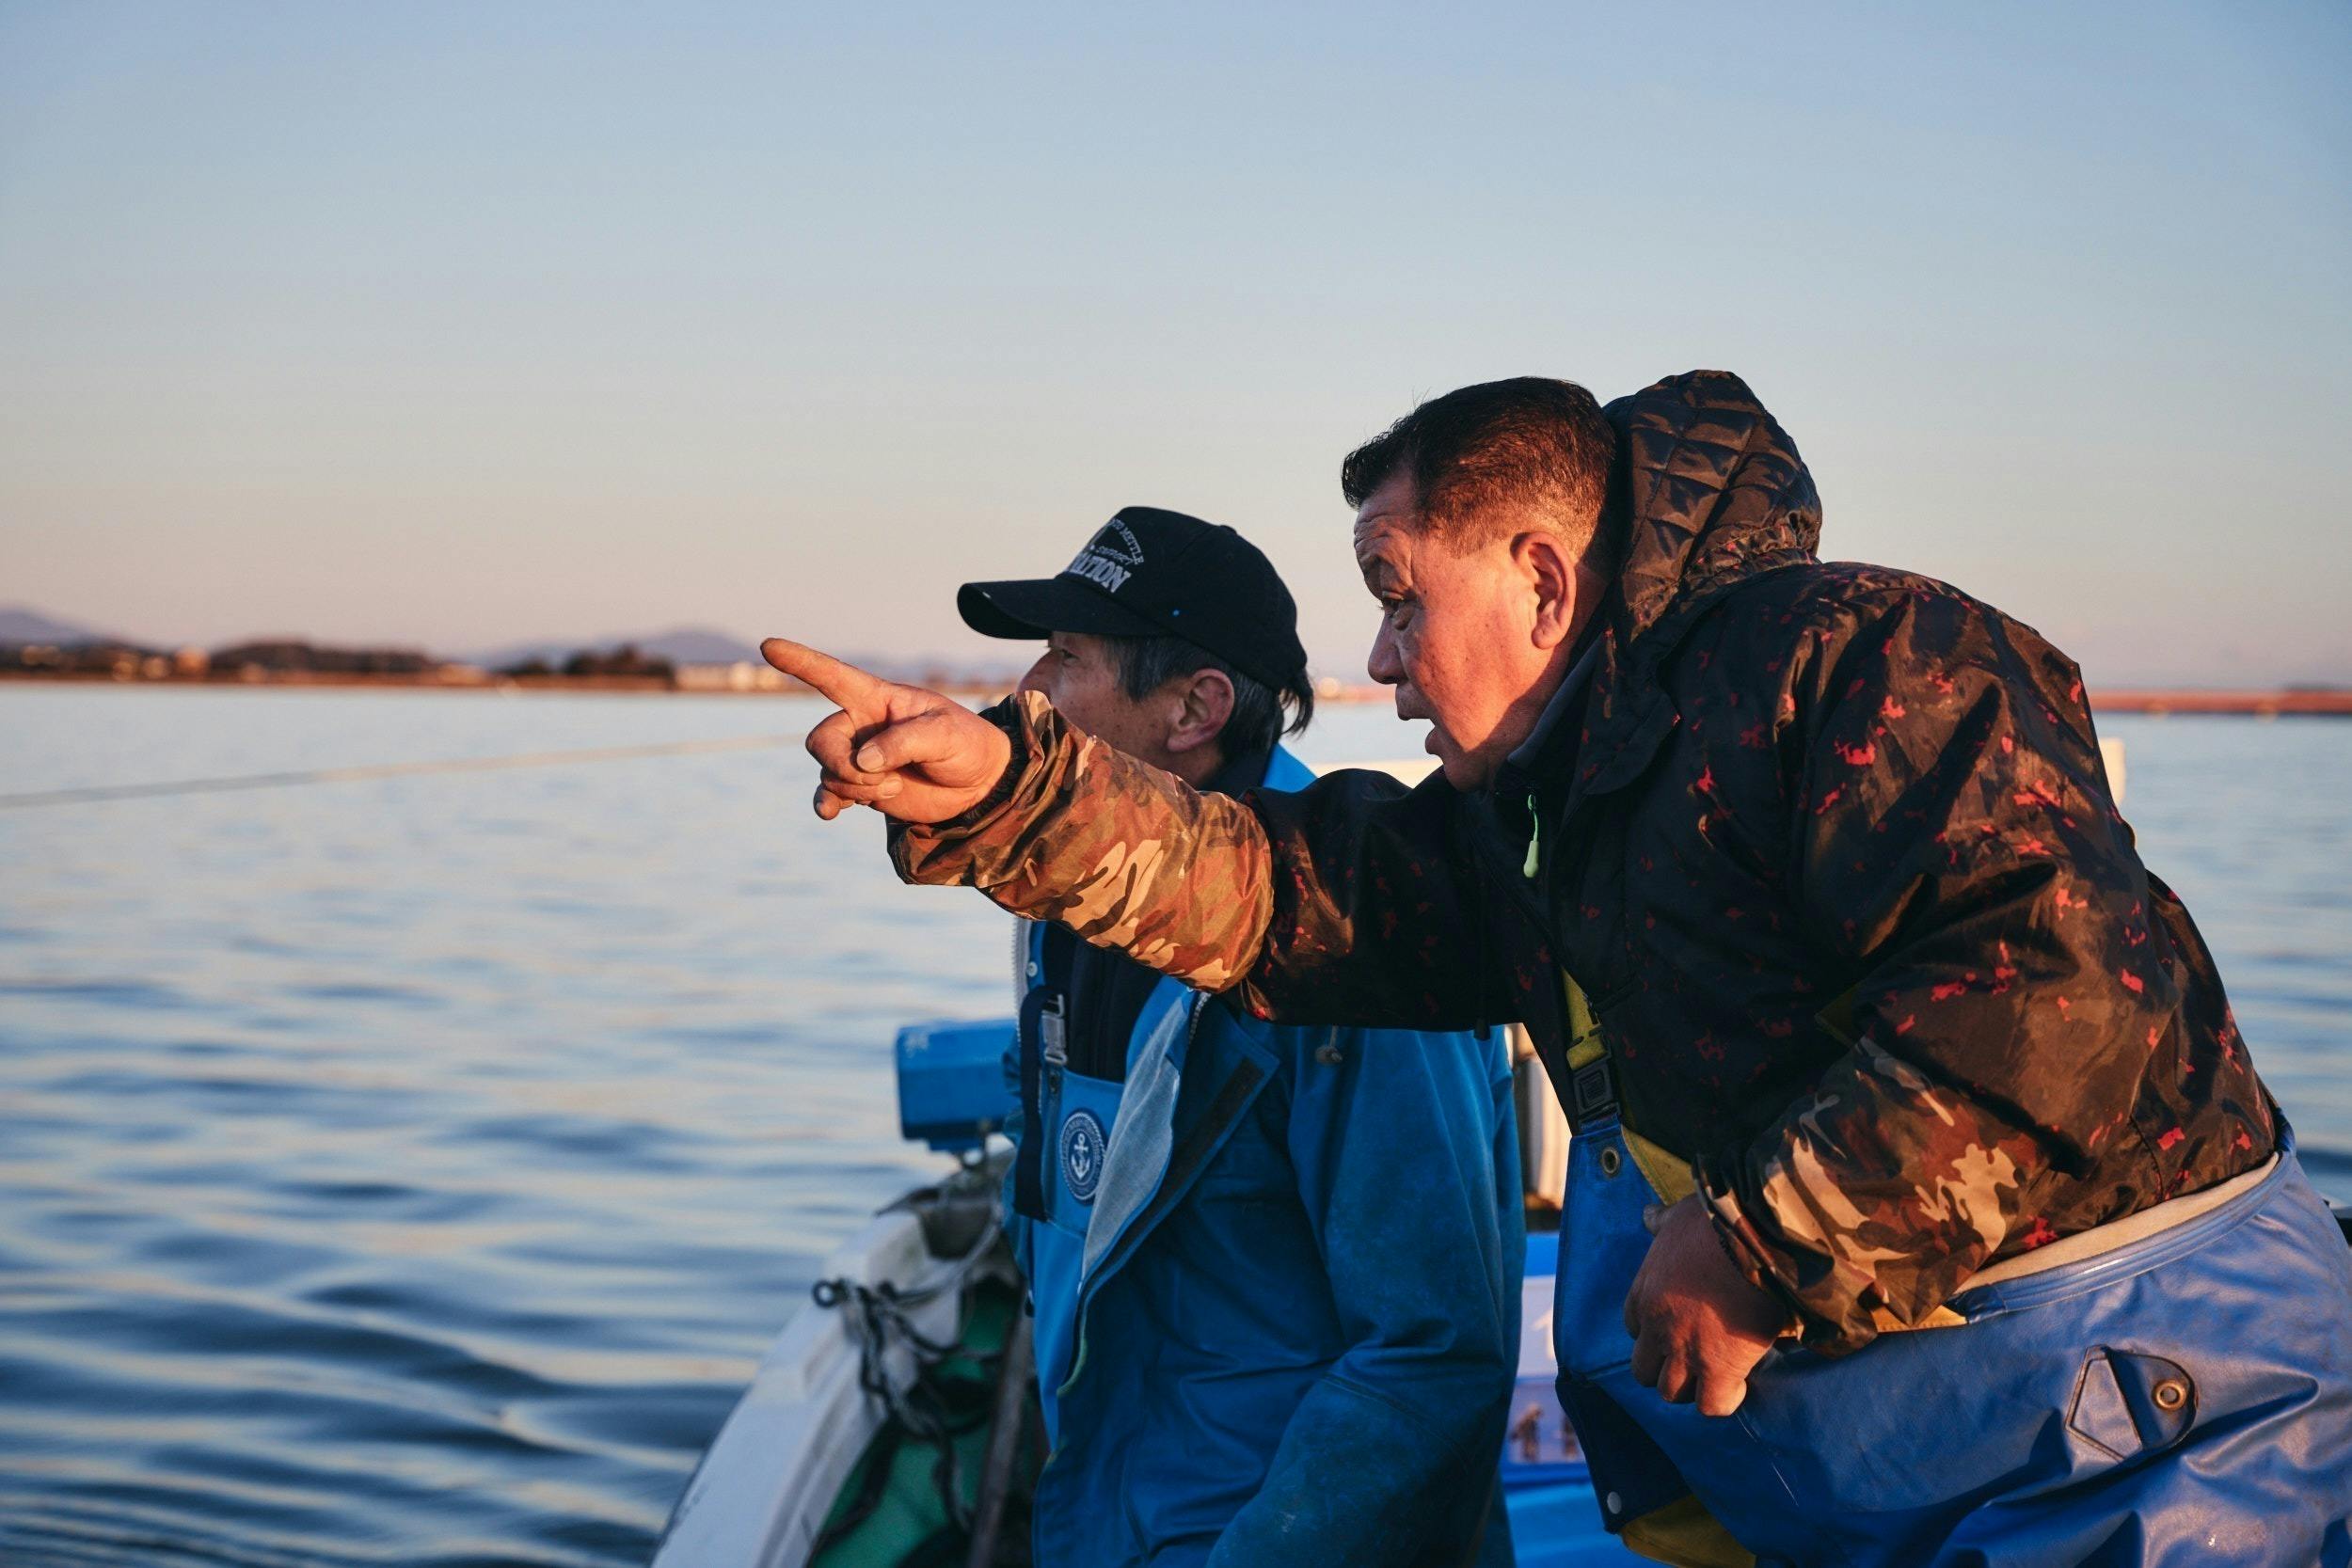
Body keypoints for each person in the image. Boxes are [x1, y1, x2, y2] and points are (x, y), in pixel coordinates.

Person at [771, 372, 2352, 1567]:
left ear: (1541, 577)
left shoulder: (1856, 658)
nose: (1379, 662)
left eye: (1399, 597)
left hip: (2154, 1441)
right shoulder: (1531, 822)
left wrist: (1768, 1244)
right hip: (1897, 1465)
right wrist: (1007, 789)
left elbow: (2065, 983)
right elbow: (1283, 890)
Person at [955, 506, 1526, 1567]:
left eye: (1067, 655)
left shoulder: (1352, 945)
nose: (1028, 684)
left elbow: (1434, 1352)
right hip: (1103, 1510)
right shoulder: (1065, 912)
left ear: (1193, 707)